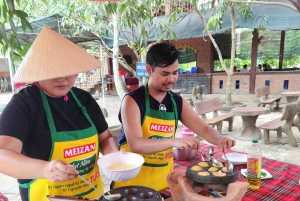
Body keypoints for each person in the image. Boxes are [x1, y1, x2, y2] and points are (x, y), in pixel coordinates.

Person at [0, 27, 120, 201]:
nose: (62, 77)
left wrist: (114, 158)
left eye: (68, 69)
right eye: (54, 70)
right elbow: (3, 155)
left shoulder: (84, 99)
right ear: (39, 69)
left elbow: (105, 138)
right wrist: (45, 169)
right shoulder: (24, 104)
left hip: (91, 195)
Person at [113, 42, 236, 191]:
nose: (171, 79)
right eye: (165, 74)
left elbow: (203, 128)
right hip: (132, 185)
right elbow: (136, 144)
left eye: (175, 73)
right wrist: (173, 141)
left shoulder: (176, 101)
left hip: (163, 183)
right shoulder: (132, 101)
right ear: (148, 70)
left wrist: (220, 140)